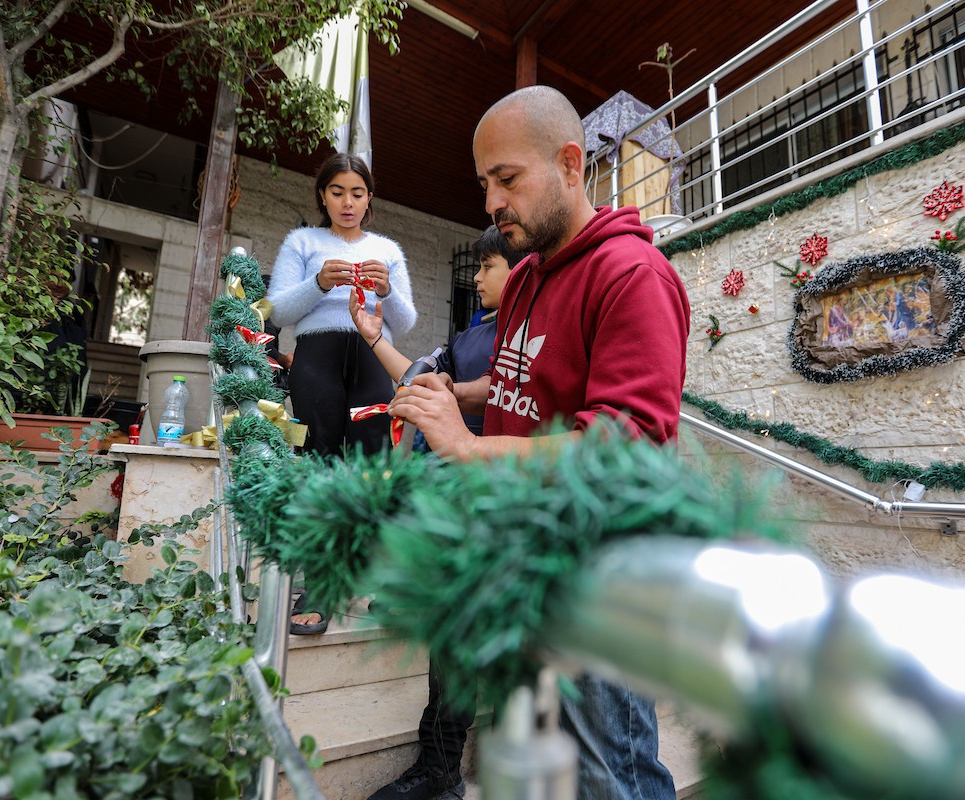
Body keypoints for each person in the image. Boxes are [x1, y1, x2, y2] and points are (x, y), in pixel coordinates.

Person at [389, 86, 689, 800]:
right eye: (484, 185)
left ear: (570, 164)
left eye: (508, 178)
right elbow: (522, 379)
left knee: (611, 771)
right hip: (526, 552)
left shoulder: (633, 277)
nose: (492, 203)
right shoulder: (525, 277)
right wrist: (459, 396)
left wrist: (467, 448)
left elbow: (621, 449)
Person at [353, 224, 526, 800]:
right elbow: (419, 379)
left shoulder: (532, 332)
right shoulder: (470, 333)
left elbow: (504, 393)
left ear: (522, 269)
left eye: (489, 266)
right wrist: (375, 337)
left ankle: (451, 766)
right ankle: (441, 767)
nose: (477, 278)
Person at [268, 152, 417, 635]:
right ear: (323, 195)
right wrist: (317, 283)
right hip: (317, 358)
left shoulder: (387, 249)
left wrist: (387, 291)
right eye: (337, 192)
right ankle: (321, 584)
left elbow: (406, 322)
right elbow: (277, 311)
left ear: (369, 198)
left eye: (357, 193)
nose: (347, 203)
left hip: (373, 357)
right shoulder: (302, 242)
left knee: (375, 465)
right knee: (321, 463)